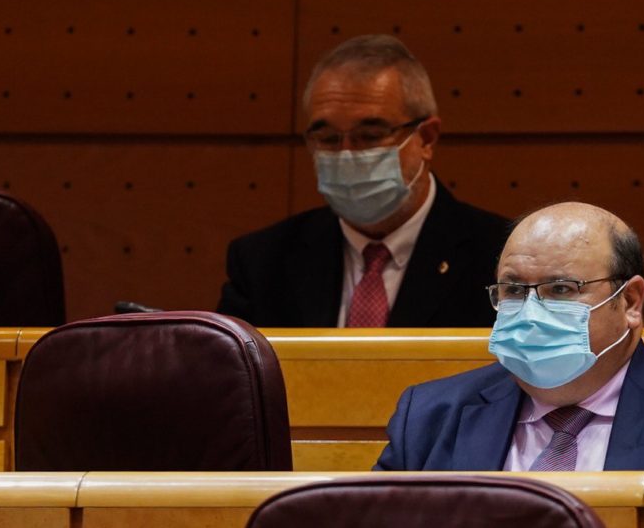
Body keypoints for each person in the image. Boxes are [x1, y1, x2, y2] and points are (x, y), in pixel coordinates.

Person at [375, 202, 644, 470]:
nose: (530, 311)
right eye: (513, 290)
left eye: (561, 290)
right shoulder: (430, 417)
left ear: (631, 302)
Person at [218, 35, 509, 327]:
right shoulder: (262, 262)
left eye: (369, 136)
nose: (346, 154)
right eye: (328, 138)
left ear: (426, 138)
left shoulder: (500, 257)